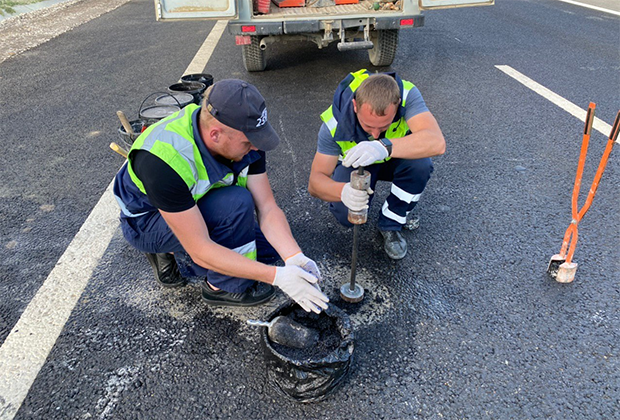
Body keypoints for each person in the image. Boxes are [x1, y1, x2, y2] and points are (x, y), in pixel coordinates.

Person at [113, 79, 329, 314]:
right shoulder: (163, 162)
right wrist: (276, 277)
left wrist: (294, 256)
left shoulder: (245, 137)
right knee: (236, 204)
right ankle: (221, 288)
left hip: (195, 203)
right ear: (215, 135)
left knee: (270, 250)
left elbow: (267, 207)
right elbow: (200, 249)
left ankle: (190, 246)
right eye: (248, 142)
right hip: (148, 221)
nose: (256, 148)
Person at [308, 69, 446, 260]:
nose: (375, 134)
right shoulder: (333, 123)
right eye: (368, 126)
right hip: (358, 164)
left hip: (394, 156)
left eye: (383, 127)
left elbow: (436, 142)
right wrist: (343, 192)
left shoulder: (406, 95)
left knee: (420, 165)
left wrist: (383, 147)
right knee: (345, 214)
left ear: (397, 106)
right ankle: (354, 201)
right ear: (355, 106)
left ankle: (392, 221)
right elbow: (315, 182)